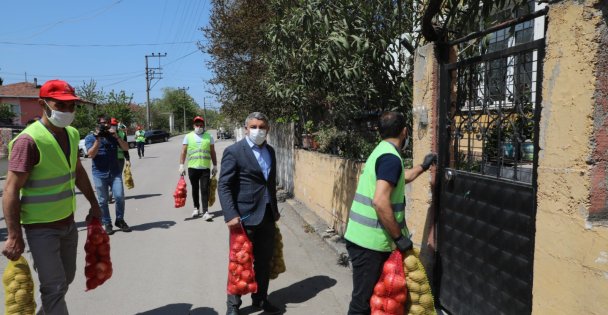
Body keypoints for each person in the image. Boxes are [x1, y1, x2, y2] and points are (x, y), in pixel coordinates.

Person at [1, 79, 102, 314]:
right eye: (60, 105)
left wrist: (94, 204)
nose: (67, 111)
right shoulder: (28, 141)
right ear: (43, 104)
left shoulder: (73, 133)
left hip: (68, 223)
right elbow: (10, 190)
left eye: (71, 106)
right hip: (40, 229)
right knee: (54, 288)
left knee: (66, 279)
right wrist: (14, 235)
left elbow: (77, 171)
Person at [344, 111, 436, 315]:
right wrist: (399, 237)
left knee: (372, 298)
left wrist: (423, 166)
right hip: (370, 243)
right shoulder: (390, 158)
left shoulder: (383, 152)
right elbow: (380, 201)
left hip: (363, 239)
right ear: (405, 132)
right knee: (362, 302)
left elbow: (400, 177)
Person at [219, 112, 281, 315]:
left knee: (263, 262)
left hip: (267, 216)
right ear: (246, 129)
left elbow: (269, 184)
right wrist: (230, 214)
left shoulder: (270, 151)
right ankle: (233, 306)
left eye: (262, 127)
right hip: (243, 217)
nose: (258, 130)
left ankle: (260, 299)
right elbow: (224, 185)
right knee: (239, 263)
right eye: (253, 126)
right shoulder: (234, 151)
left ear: (268, 129)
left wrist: (275, 209)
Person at [85, 115, 132, 235]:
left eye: (107, 123)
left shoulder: (113, 136)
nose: (105, 125)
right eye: (102, 123)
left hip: (115, 172)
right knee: (103, 201)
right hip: (99, 174)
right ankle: (107, 222)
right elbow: (91, 154)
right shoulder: (90, 137)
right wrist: (98, 139)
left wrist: (116, 137)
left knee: (119, 196)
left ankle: (120, 220)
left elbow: (126, 148)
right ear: (97, 124)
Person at [179, 116, 218, 220]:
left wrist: (215, 165)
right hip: (192, 168)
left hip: (205, 168)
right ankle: (196, 208)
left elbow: (212, 152)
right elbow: (183, 151)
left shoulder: (209, 136)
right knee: (195, 188)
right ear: (193, 125)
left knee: (205, 189)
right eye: (197, 125)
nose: (199, 127)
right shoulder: (188, 136)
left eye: (201, 125)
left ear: (203, 126)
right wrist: (181, 165)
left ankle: (205, 211)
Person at [108, 118, 130, 203]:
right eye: (112, 125)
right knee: (110, 177)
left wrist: (127, 159)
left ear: (117, 125)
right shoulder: (106, 134)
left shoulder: (122, 133)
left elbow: (125, 148)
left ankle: (119, 195)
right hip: (109, 159)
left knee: (118, 177)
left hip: (120, 159)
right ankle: (110, 194)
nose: (113, 126)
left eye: (115, 125)